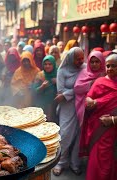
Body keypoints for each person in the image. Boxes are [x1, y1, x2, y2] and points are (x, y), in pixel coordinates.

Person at [79, 54, 117, 180]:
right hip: (97, 126)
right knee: (96, 156)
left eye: (114, 66)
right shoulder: (100, 81)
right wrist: (89, 101)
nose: (110, 68)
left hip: (112, 129)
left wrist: (112, 120)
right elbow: (89, 97)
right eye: (108, 66)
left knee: (108, 158)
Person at [53, 47, 85, 176]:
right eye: (78, 59)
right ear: (71, 58)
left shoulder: (84, 68)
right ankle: (61, 162)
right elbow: (60, 92)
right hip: (67, 106)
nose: (81, 61)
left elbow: (86, 85)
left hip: (82, 105)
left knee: (79, 134)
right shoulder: (63, 70)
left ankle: (75, 163)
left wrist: (70, 92)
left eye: (82, 58)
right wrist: (75, 91)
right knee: (65, 134)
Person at [74, 51, 105, 128]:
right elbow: (77, 88)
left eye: (97, 62)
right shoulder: (84, 72)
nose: (94, 64)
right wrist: (92, 83)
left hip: (101, 107)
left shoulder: (106, 73)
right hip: (85, 108)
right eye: (92, 62)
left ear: (102, 62)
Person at [32, 55, 57, 123]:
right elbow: (34, 91)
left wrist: (58, 82)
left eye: (50, 64)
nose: (47, 66)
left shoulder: (58, 74)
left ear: (54, 64)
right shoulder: (40, 75)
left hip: (55, 104)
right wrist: (42, 87)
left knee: (53, 123)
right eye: (45, 64)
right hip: (42, 104)